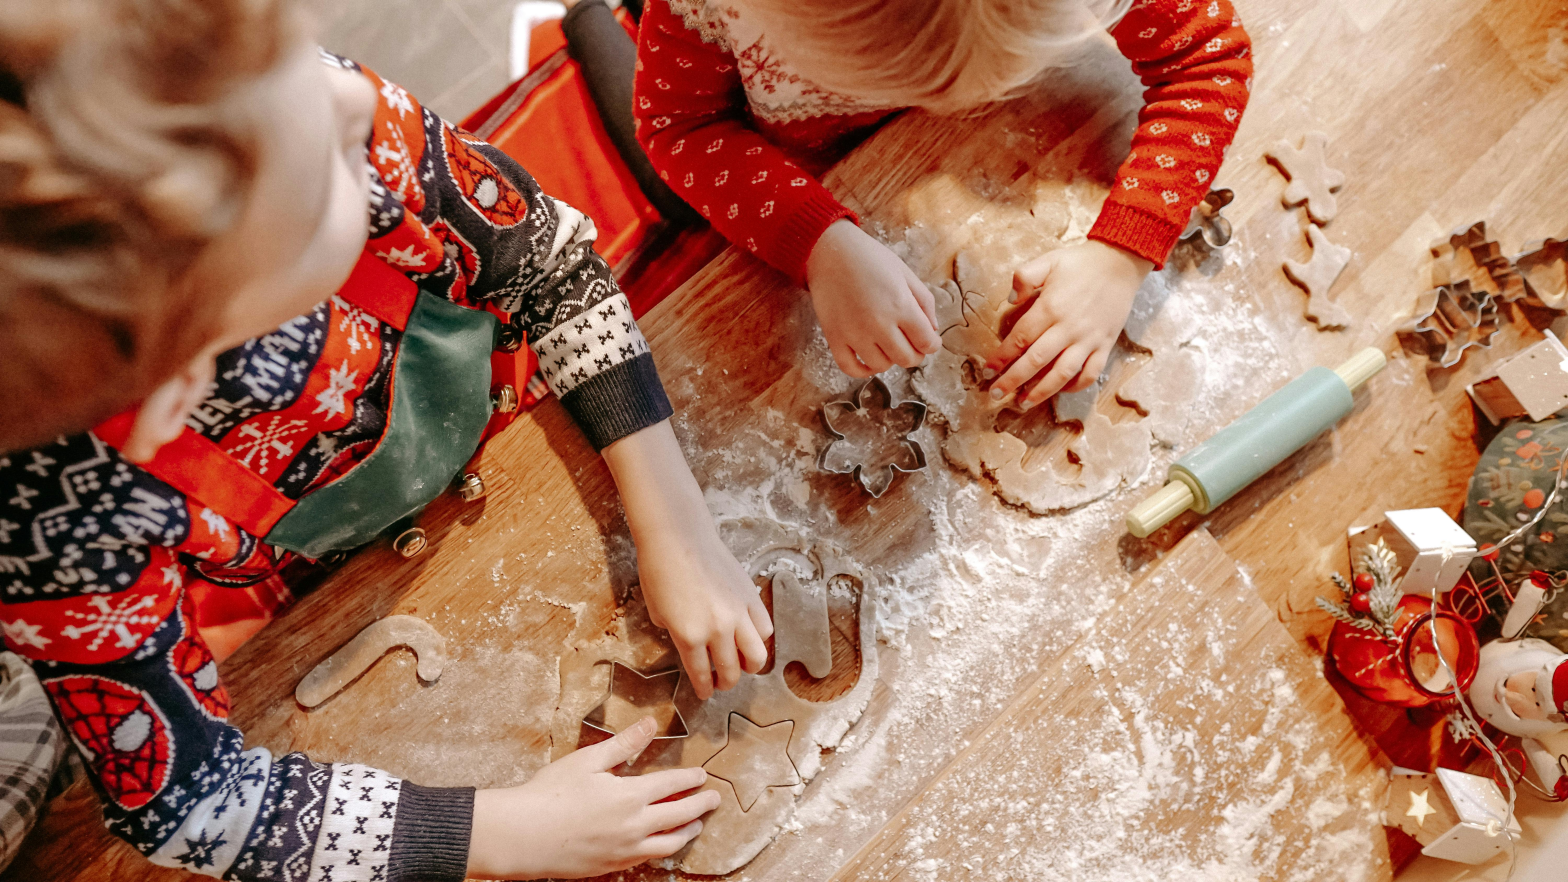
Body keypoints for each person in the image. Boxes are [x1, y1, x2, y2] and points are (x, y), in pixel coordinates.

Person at [0, 0, 773, 878]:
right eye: (327, 163)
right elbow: (189, 800)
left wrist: (677, 528)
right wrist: (501, 836)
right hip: (341, 563)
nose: (356, 103)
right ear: (180, 383)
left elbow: (549, 268)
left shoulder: (274, 98)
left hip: (520, 405)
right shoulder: (53, 529)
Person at [633, 0, 1252, 408]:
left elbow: (1209, 58)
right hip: (770, 144)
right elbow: (678, 127)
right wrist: (817, 243)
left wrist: (1124, 252)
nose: (949, 107)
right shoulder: (709, 10)